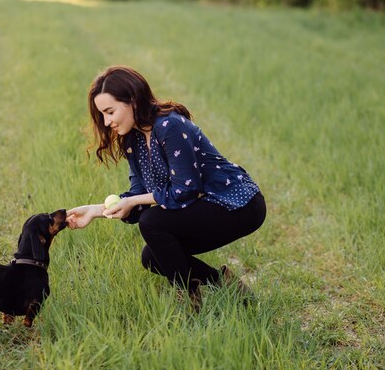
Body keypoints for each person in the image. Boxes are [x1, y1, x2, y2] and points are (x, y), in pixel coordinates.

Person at [66, 65, 266, 311]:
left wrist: (134, 202)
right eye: (102, 115)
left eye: (110, 112)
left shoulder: (169, 126)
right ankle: (226, 285)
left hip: (238, 204)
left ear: (132, 101)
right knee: (152, 257)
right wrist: (97, 210)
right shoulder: (134, 140)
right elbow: (138, 194)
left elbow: (185, 190)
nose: (107, 122)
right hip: (206, 205)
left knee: (151, 221)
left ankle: (190, 304)